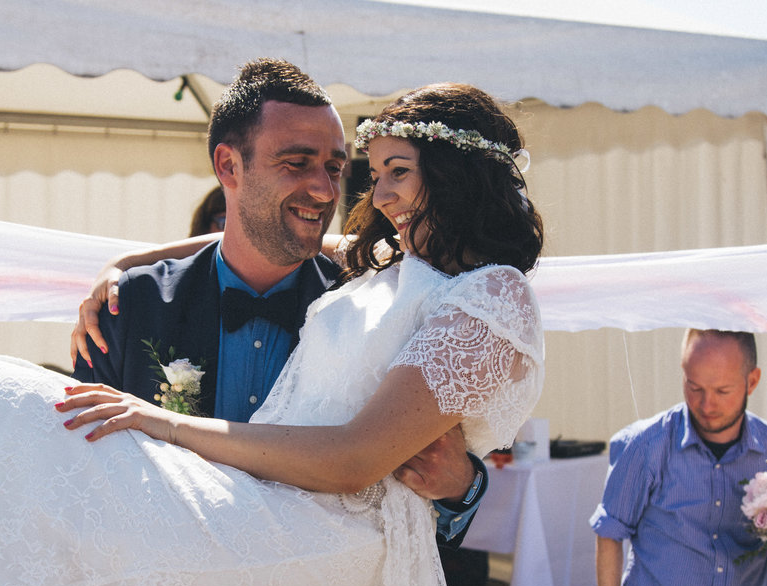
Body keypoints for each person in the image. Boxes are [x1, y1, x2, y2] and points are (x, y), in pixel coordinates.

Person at [0, 80, 544, 586]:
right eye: (375, 171)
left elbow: (366, 458)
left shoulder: (486, 294)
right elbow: (245, 232)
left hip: (317, 532)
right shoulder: (381, 266)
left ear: (452, 179)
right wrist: (124, 263)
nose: (366, 192)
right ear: (228, 170)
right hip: (238, 504)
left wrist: (159, 419)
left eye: (395, 171)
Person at [70, 58, 486, 546]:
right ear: (229, 165)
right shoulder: (131, 306)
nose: (325, 189)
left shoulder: (382, 305)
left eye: (334, 167)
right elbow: (81, 483)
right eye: (296, 163)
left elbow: (419, 501)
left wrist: (463, 487)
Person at [590, 329, 767, 586]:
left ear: (752, 381)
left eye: (722, 391)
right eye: (694, 387)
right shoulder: (644, 446)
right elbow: (609, 533)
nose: (706, 404)